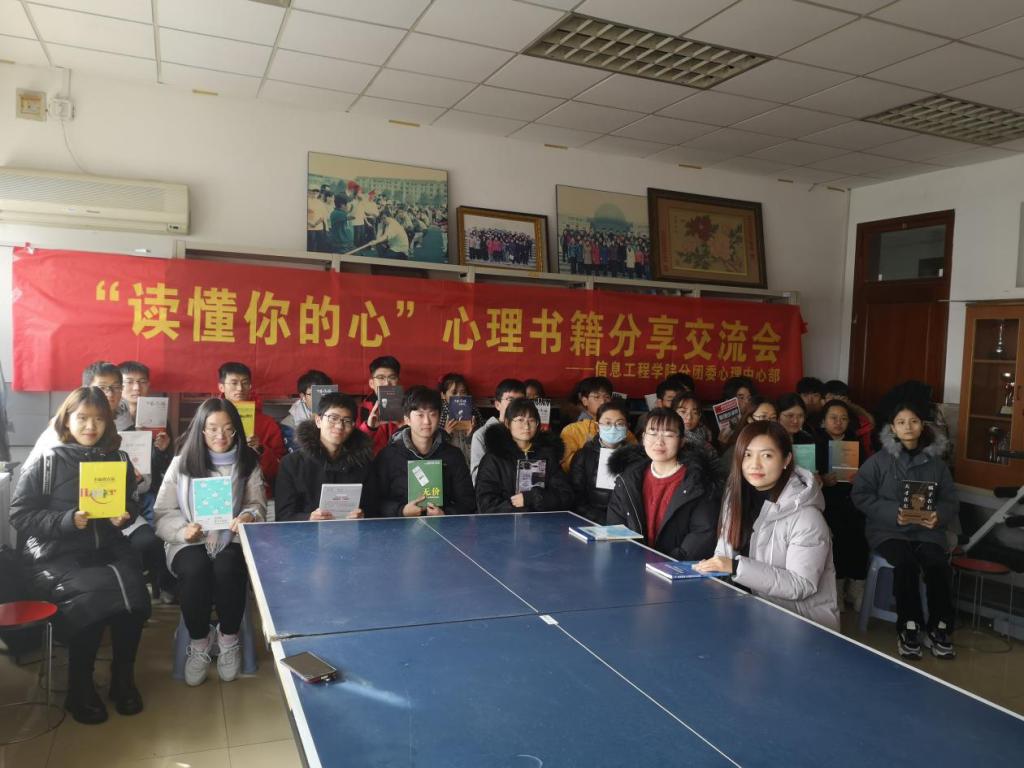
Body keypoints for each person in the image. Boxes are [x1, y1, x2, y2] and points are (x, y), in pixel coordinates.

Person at [10, 387, 150, 723]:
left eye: (99, 419)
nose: (90, 426)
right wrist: (66, 520)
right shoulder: (47, 460)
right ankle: (79, 687)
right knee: (90, 600)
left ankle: (122, 679)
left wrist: (124, 516)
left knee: (135, 597)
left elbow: (130, 503)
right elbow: (20, 515)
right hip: (55, 553)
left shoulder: (118, 459)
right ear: (67, 420)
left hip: (108, 549)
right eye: (83, 418)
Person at [154, 398, 266, 686]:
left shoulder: (248, 462)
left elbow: (257, 505)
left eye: (228, 429)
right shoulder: (181, 463)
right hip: (187, 540)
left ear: (237, 430)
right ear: (201, 430)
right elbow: (163, 511)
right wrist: (183, 531)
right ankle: (199, 641)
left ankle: (228, 638)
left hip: (231, 538)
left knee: (228, 569)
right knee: (195, 570)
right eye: (213, 428)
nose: (221, 436)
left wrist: (247, 516)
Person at [696, 421, 840, 631]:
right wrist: (713, 568)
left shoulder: (807, 516)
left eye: (767, 456)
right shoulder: (735, 500)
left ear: (786, 460)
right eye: (747, 454)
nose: (755, 464)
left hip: (799, 624)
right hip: (747, 614)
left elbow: (801, 585)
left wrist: (735, 567)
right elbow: (724, 554)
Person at [851, 402, 957, 660]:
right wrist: (892, 512)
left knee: (938, 565)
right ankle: (909, 627)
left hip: (927, 531)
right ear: (892, 428)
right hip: (889, 531)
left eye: (914, 421)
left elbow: (950, 500)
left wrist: (938, 515)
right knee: (906, 564)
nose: (908, 427)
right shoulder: (879, 461)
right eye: (901, 422)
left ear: (922, 426)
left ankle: (940, 627)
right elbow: (860, 495)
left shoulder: (937, 465)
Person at [605, 408, 720, 560]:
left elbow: (702, 534)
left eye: (668, 435)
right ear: (643, 438)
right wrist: (631, 558)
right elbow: (616, 523)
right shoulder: (628, 478)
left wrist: (664, 564)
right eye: (653, 434)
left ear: (681, 441)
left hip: (675, 567)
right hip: (631, 562)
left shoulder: (699, 482)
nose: (659, 441)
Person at [362, 386, 476, 517]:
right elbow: (372, 502)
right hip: (398, 526)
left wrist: (445, 513)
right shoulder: (388, 456)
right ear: (407, 419)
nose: (427, 421)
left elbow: (468, 501)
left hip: (443, 526)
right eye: (420, 415)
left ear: (439, 417)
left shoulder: (453, 455)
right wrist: (401, 510)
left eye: (432, 414)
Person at [118, 360, 176, 603]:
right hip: (120, 493)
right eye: (129, 382)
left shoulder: (158, 419)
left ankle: (166, 584)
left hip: (149, 490)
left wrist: (162, 450)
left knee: (162, 528)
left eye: (142, 382)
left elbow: (167, 467)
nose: (136, 388)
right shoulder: (110, 419)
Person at [276, 392, 373, 522]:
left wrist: (363, 515)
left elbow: (374, 508)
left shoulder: (363, 463)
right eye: (333, 418)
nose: (339, 426)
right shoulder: (292, 464)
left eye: (347, 421)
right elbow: (283, 516)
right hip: (305, 533)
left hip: (352, 531)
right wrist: (309, 518)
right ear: (318, 421)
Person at [24, 361, 134, 469]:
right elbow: (36, 469)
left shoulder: (125, 418)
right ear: (86, 389)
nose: (110, 393)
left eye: (116, 387)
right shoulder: (64, 426)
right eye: (102, 388)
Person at [816, 399, 869, 612]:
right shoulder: (815, 443)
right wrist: (822, 480)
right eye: (833, 418)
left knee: (858, 541)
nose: (839, 423)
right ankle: (835, 592)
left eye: (844, 418)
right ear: (823, 421)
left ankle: (856, 589)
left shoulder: (856, 444)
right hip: (827, 504)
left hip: (853, 503)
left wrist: (861, 478)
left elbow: (868, 474)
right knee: (835, 545)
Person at [476, 398, 574, 514]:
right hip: (505, 523)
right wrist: (519, 508)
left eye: (531, 420)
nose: (526, 426)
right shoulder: (494, 458)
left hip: (542, 523)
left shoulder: (547, 455)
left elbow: (566, 496)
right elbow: (486, 504)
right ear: (507, 423)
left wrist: (532, 498)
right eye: (520, 420)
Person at [216, 362, 285, 497]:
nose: (240, 388)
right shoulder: (210, 420)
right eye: (234, 383)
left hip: (258, 494)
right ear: (221, 387)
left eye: (245, 383)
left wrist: (260, 449)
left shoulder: (267, 423)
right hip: (218, 493)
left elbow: (279, 469)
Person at [570, 399, 631, 524]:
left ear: (627, 427)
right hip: (591, 523)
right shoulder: (583, 456)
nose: (613, 428)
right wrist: (601, 520)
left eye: (619, 424)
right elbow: (577, 498)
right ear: (598, 426)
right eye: (607, 423)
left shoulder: (635, 458)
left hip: (626, 524)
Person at [561, 376, 637, 472]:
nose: (603, 401)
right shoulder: (572, 430)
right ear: (585, 400)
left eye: (607, 397)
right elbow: (565, 463)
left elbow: (636, 458)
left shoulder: (622, 430)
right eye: (596, 397)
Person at [470, 378, 526, 484]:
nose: (515, 405)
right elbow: (477, 478)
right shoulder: (481, 435)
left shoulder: (527, 431)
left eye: (520, 401)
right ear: (497, 404)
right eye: (510, 400)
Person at [357, 355, 403, 456]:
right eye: (381, 378)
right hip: (371, 462)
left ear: (398, 382)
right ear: (371, 383)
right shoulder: (359, 410)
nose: (387, 383)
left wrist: (403, 426)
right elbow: (353, 445)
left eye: (392, 377)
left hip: (400, 462)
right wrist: (369, 428)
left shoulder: (409, 408)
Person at [280, 369, 333, 454]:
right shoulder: (289, 423)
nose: (321, 398)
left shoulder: (342, 417)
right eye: (314, 394)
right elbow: (297, 456)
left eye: (325, 394)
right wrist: (312, 426)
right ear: (303, 397)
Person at [438, 372, 482, 468]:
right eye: (454, 393)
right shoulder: (438, 415)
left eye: (463, 392)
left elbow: (482, 444)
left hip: (470, 462)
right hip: (448, 466)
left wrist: (471, 435)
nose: (459, 396)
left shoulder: (474, 412)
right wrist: (446, 433)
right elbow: (433, 448)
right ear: (443, 395)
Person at [824, 379, 875, 458]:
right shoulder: (814, 424)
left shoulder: (855, 425)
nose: (838, 422)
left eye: (843, 418)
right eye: (832, 398)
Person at [716, 376, 757, 446]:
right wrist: (722, 443)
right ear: (729, 400)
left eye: (749, 398)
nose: (746, 402)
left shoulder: (755, 418)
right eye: (741, 398)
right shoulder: (718, 421)